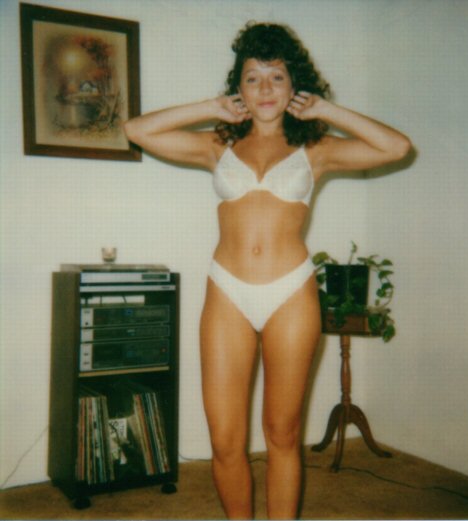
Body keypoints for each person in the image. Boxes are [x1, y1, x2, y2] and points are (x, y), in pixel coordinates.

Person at [124, 22, 411, 520]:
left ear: (294, 85)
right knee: (225, 439)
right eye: (252, 78)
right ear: (238, 88)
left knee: (282, 433)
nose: (264, 89)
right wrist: (209, 108)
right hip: (227, 292)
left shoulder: (317, 148)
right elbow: (136, 130)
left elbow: (396, 147)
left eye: (277, 77)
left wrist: (326, 110)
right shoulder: (217, 144)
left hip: (290, 294)